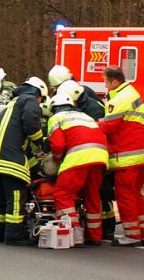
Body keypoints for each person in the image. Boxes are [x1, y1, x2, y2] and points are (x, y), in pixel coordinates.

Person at [99, 65, 144, 245]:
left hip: (127, 155)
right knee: (135, 194)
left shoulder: (119, 100)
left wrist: (93, 124)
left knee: (125, 195)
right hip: (142, 153)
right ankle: (143, 232)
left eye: (106, 83)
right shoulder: (131, 92)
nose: (106, 87)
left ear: (115, 82)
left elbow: (108, 127)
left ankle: (132, 235)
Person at [0, 76, 46, 244]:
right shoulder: (30, 98)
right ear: (39, 93)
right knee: (15, 198)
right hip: (10, 157)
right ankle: (13, 235)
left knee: (2, 199)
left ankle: (0, 233)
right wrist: (40, 140)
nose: (40, 102)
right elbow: (30, 121)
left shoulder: (12, 103)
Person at [46, 92, 109, 245]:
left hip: (79, 158)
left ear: (54, 107)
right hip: (101, 157)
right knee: (92, 195)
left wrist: (55, 160)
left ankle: (74, 233)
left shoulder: (56, 118)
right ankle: (95, 236)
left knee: (62, 193)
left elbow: (59, 145)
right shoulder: (86, 117)